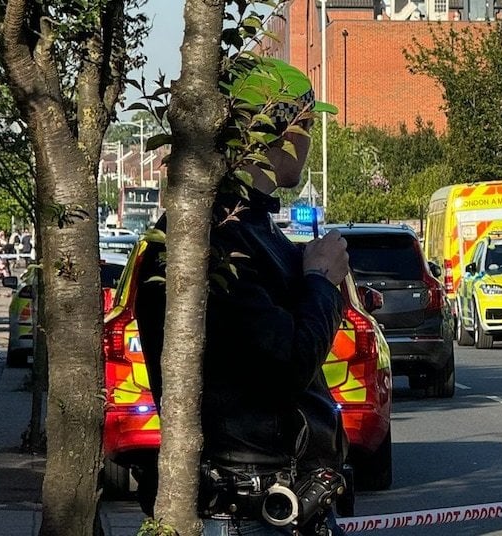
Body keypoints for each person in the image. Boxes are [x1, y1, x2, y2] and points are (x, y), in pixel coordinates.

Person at [133, 57, 350, 535]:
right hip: (247, 506)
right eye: (308, 125)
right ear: (283, 130)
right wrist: (319, 282)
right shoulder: (215, 239)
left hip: (278, 495)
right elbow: (286, 362)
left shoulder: (243, 229)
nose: (310, 142)